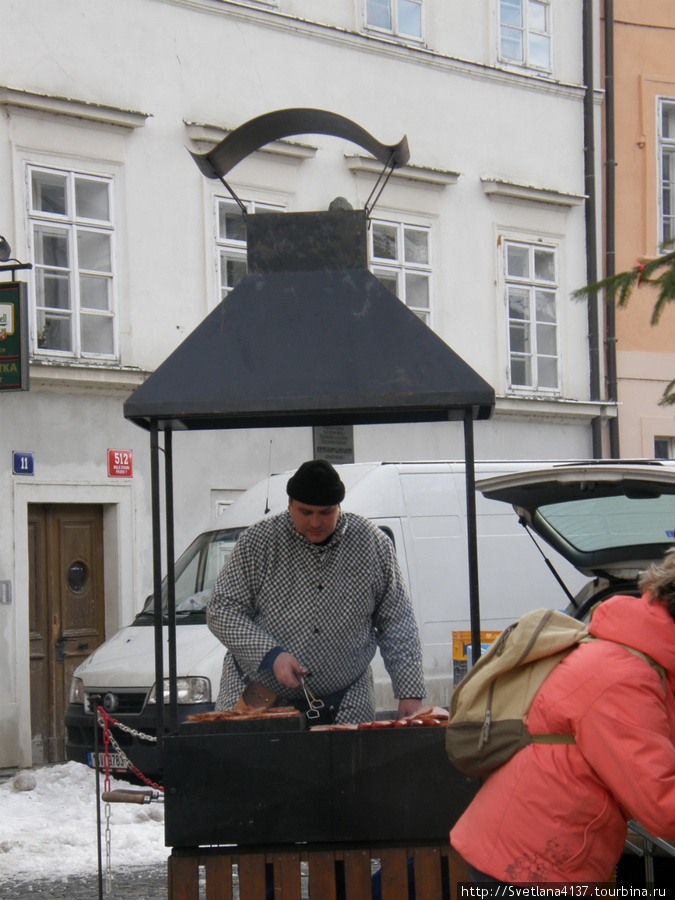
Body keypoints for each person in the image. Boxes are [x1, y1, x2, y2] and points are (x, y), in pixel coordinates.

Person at [450, 550, 675, 885]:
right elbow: (662, 802)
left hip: (529, 854)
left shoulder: (632, 654)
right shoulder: (625, 678)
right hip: (530, 867)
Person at [207, 459, 426, 724]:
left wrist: (410, 691)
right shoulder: (257, 543)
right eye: (305, 511)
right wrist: (271, 656)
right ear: (289, 504)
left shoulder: (372, 544)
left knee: (350, 766)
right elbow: (222, 609)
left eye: (325, 512)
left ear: (339, 506)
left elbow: (397, 620)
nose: (315, 522)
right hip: (258, 693)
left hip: (347, 695)